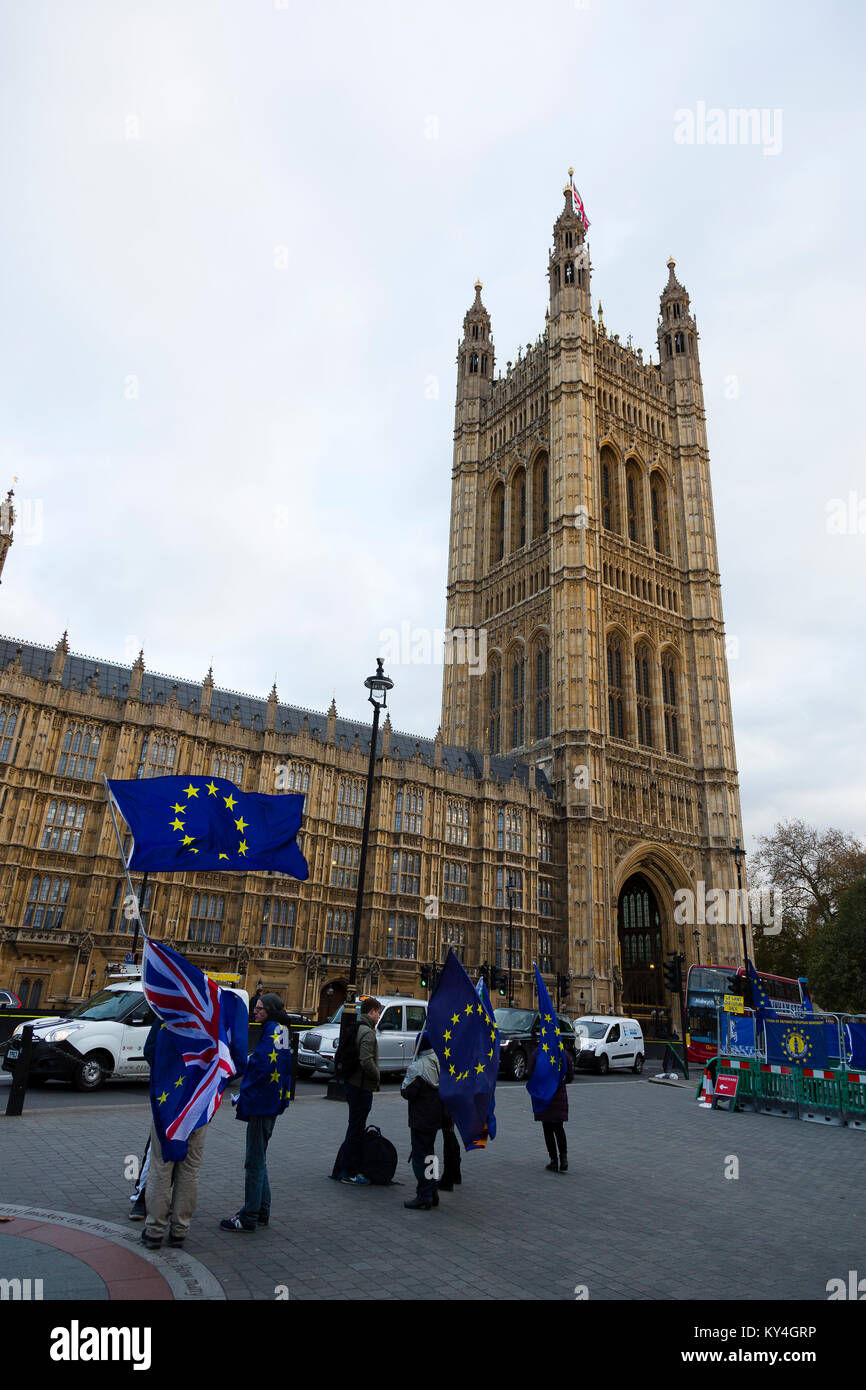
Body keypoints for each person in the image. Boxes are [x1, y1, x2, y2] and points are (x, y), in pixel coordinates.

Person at [221, 993, 293, 1232]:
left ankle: (248, 1215)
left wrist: (243, 1090)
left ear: (270, 1010)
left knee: (253, 1161)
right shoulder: (281, 1029)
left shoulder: (272, 1030)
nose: (255, 1012)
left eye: (260, 1008)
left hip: (262, 1104)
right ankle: (262, 1210)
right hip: (272, 1102)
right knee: (260, 1157)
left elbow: (262, 1065)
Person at [339, 996, 382, 1185]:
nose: (379, 1017)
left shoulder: (355, 1027)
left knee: (354, 1126)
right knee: (356, 1129)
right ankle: (348, 1172)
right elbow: (366, 1061)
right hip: (361, 1085)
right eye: (378, 1012)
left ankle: (344, 1168)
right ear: (372, 1011)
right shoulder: (368, 1032)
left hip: (351, 1083)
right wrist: (377, 1076)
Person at [401, 1031, 445, 1210]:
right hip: (435, 1117)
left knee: (420, 1157)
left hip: (420, 1118)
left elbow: (407, 1092)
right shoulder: (439, 1061)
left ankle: (424, 1195)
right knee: (430, 1154)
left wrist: (409, 1074)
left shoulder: (418, 1067)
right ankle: (432, 1190)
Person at [527, 1041, 574, 1173]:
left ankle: (553, 1160)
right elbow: (570, 1076)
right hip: (559, 1095)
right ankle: (563, 1158)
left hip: (544, 1096)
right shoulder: (563, 1054)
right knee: (559, 1128)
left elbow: (530, 1073)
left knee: (547, 1129)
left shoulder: (538, 1053)